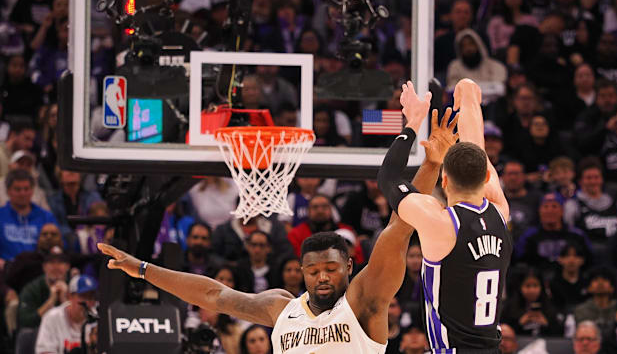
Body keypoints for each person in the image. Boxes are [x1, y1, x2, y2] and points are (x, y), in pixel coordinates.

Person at [98, 83, 455, 353]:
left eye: (330, 269)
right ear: (301, 271)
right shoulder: (282, 309)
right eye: (314, 271)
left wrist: (432, 163)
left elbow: (401, 224)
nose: (322, 278)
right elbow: (213, 294)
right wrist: (143, 268)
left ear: (349, 265)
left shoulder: (363, 301)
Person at [377, 79, 512, 350]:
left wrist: (413, 123)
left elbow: (388, 177)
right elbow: (477, 148)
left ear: (444, 181)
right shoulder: (500, 210)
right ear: (486, 176)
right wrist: (468, 91)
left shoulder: (439, 222)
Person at [0, 169, 58, 262]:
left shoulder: (46, 217)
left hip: (38, 269)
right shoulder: (1, 216)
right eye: (17, 189)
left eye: (26, 189)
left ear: (32, 190)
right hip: (7, 270)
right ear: (8, 191)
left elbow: (58, 246)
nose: (22, 193)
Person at [35, 275, 97, 354]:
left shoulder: (98, 318)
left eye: (91, 297)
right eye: (83, 297)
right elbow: (44, 352)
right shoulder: (52, 317)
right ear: (70, 296)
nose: (88, 303)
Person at [17, 246, 70, 329]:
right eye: (51, 262)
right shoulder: (32, 288)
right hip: (40, 332)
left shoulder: (75, 286)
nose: (56, 267)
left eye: (60, 262)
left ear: (67, 266)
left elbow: (85, 320)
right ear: (44, 267)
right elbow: (25, 321)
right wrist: (50, 302)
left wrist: (65, 301)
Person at [573, 267, 617, 335]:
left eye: (605, 279)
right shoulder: (580, 311)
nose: (600, 283)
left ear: (612, 287)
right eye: (595, 280)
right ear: (589, 288)